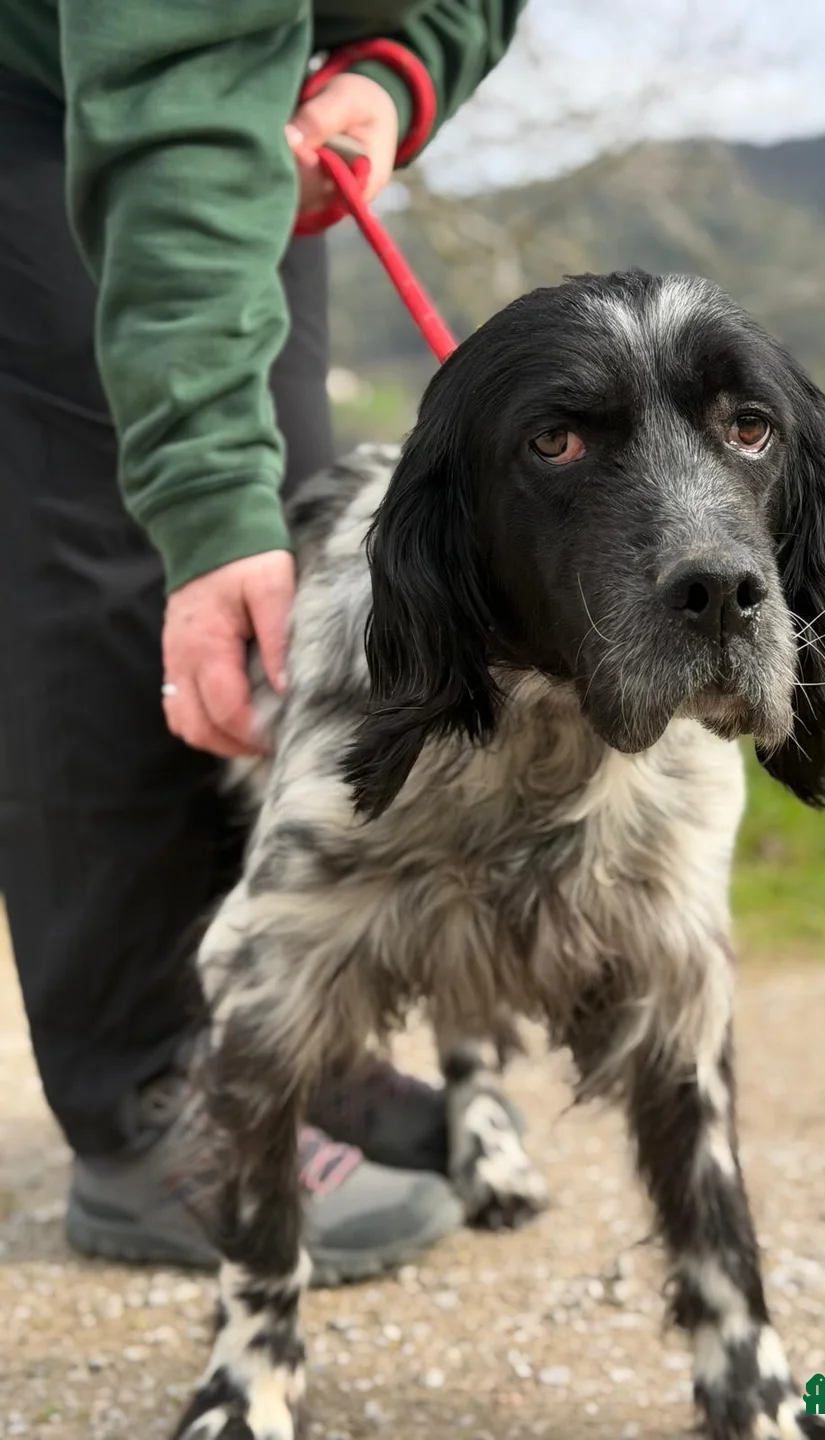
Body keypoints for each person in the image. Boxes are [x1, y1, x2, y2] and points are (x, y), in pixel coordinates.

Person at [0, 1, 525, 1279]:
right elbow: (174, 59)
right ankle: (145, 1102)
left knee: (283, 513)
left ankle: (285, 1035)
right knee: (138, 531)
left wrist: (396, 76)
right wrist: (199, 503)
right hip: (62, 70)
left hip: (247, 83)